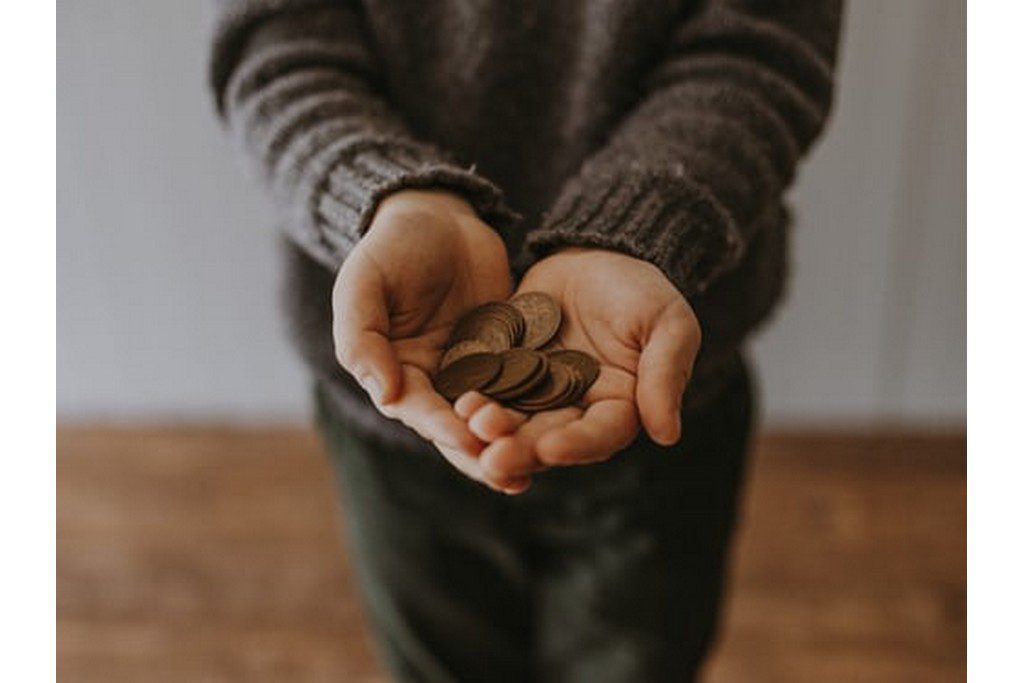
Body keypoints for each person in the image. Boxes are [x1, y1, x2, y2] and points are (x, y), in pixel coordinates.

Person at [209, 1, 841, 679]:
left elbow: (759, 50)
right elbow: (274, 48)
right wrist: (387, 196)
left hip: (659, 385)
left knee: (643, 661)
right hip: (396, 413)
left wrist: (639, 224)